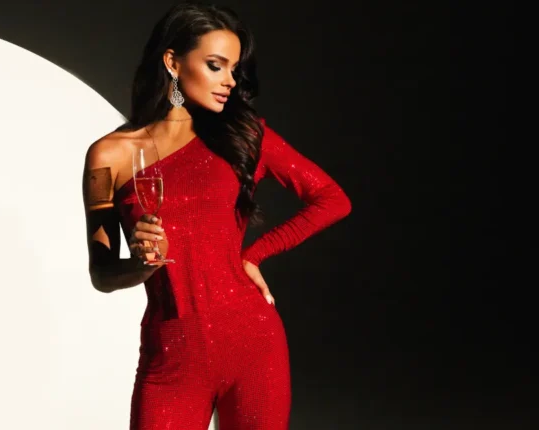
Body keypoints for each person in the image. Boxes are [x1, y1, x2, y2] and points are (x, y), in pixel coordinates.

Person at [82, 2, 351, 429]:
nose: (230, 80)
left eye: (234, 69)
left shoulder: (244, 134)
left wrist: (255, 254)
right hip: (170, 354)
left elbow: (332, 198)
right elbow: (101, 274)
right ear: (172, 62)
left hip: (252, 344)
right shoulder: (108, 156)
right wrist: (140, 265)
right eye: (215, 65)